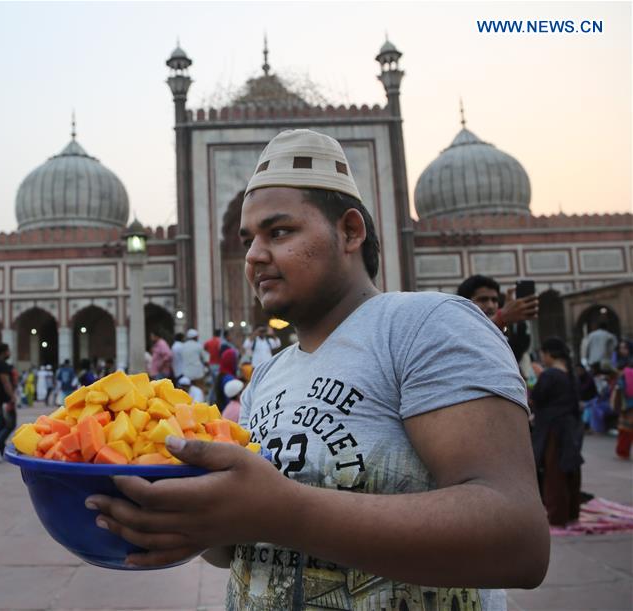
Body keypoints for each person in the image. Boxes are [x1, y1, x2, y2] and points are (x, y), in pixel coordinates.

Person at [86, 129, 548, 607]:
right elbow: (241, 545)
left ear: (349, 231)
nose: (254, 256)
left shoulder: (427, 326)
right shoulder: (268, 375)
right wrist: (186, 513)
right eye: (248, 240)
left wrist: (280, 512)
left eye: (279, 232)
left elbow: (517, 540)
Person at [530, 338, 584, 526]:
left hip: (553, 429)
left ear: (550, 354)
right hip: (570, 427)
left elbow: (537, 398)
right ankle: (572, 513)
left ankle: (557, 515)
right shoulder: (570, 373)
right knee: (570, 469)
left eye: (543, 354)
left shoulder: (549, 375)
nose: (542, 358)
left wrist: (537, 378)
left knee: (555, 473)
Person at [457, 275, 537, 363]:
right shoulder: (456, 330)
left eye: (494, 300)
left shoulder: (503, 331)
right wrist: (501, 318)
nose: (490, 306)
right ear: (465, 302)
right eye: (483, 300)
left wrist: (517, 322)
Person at [612, 354, 633, 459]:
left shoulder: (624, 375)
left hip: (627, 407)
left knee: (625, 430)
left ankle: (623, 452)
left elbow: (620, 391)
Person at [204, 329, 223, 403]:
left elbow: (204, 347)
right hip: (218, 364)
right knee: (216, 384)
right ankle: (214, 400)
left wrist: (210, 352)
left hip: (211, 364)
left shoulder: (209, 341)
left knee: (214, 383)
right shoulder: (220, 342)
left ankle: (211, 399)